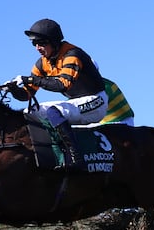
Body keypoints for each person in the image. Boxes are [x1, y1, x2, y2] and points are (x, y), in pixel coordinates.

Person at [9, 18, 134, 171]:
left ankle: (76, 159)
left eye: (41, 43)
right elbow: (27, 95)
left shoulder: (72, 54)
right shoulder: (42, 63)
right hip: (79, 102)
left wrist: (30, 79)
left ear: (53, 42)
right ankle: (47, 155)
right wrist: (14, 89)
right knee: (31, 112)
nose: (37, 48)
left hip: (96, 101)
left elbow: (62, 84)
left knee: (53, 111)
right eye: (34, 44)